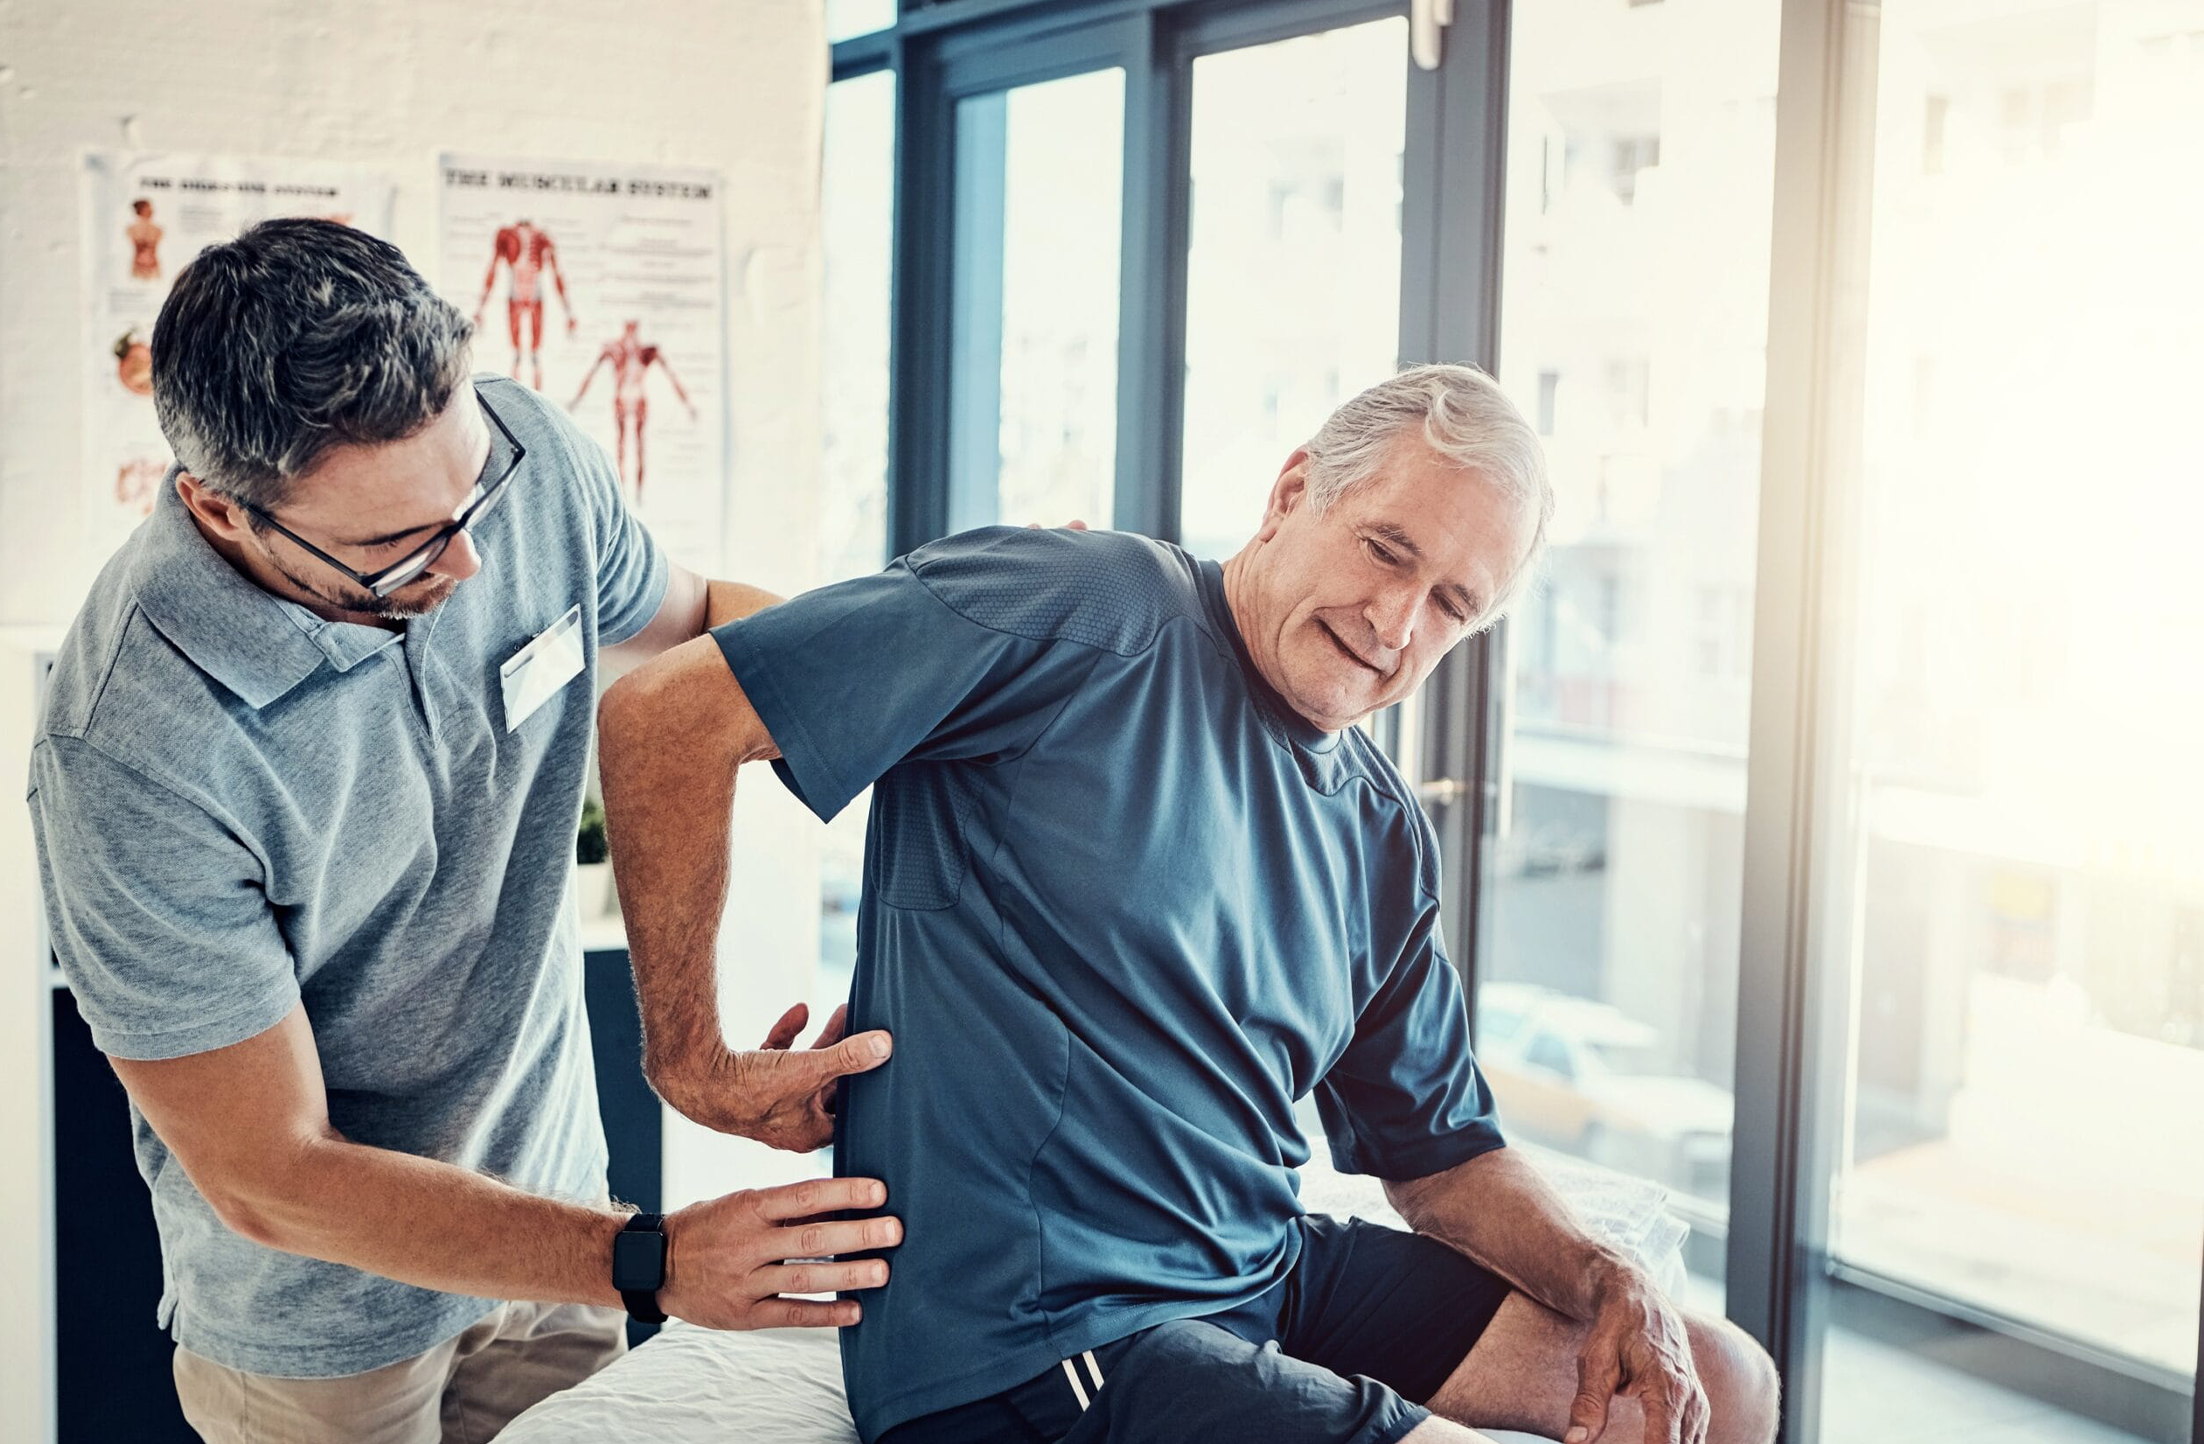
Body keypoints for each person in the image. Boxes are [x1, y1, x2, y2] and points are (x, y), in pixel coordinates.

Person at [598, 365, 1783, 1444]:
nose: (1394, 622)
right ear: (1290, 493)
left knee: (1717, 1378)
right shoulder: (1079, 601)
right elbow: (667, 716)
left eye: (1449, 605)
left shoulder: (1374, 826)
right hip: (1034, 1329)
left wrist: (1603, 1272)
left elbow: (1440, 1159)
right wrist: (688, 1057)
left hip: (1257, 1270)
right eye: (1383, 549)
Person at [28, 219, 903, 1444]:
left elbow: (701, 632)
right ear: (219, 513)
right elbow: (271, 1173)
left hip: (555, 1227)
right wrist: (648, 1259)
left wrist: (934, 671)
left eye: (472, 489)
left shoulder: (520, 459)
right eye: (397, 549)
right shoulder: (131, 744)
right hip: (322, 1327)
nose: (475, 558)